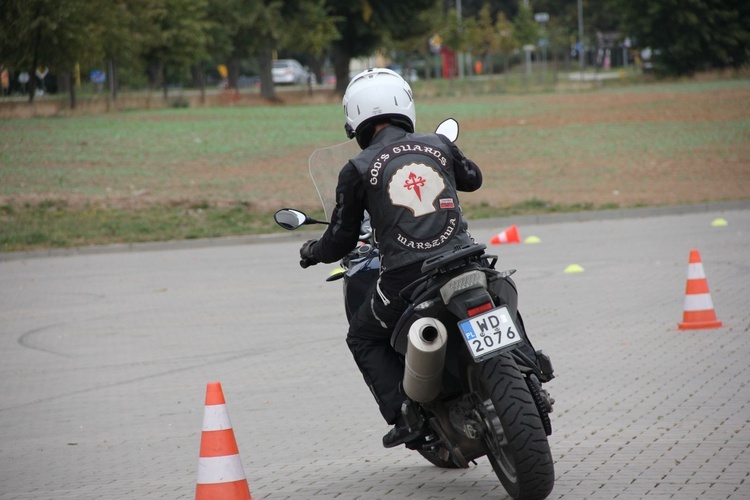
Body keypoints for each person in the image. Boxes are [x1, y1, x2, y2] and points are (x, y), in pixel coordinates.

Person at [299, 68, 483, 448]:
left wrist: (313, 251)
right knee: (494, 290)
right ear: (406, 105)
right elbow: (473, 179)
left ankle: (404, 415)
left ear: (354, 121)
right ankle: (530, 361)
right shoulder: (437, 144)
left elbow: (341, 238)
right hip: (465, 257)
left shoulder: (357, 168)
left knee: (362, 336)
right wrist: (443, 154)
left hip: (407, 277)